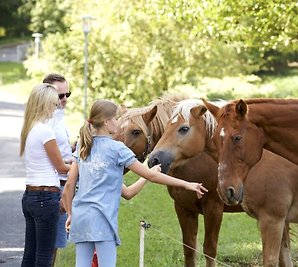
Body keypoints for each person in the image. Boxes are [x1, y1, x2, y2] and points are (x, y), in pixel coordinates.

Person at [62, 99, 207, 267]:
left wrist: (70, 214)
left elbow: (70, 187)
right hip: (102, 220)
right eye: (116, 118)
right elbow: (152, 177)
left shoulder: (83, 145)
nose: (118, 122)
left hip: (81, 218)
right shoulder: (117, 149)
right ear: (107, 122)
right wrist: (187, 184)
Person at [20, 83, 71, 267]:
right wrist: (80, 165)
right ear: (44, 103)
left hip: (30, 196)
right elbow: (61, 167)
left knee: (30, 254)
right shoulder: (45, 130)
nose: (56, 107)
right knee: (44, 256)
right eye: (53, 103)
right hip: (46, 196)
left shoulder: (30, 128)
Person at [42, 73, 73, 267]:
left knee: (52, 248)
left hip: (62, 185)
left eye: (67, 94)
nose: (65, 100)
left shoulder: (59, 118)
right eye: (60, 96)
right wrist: (79, 165)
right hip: (54, 187)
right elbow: (56, 163)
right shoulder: (48, 122)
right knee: (47, 250)